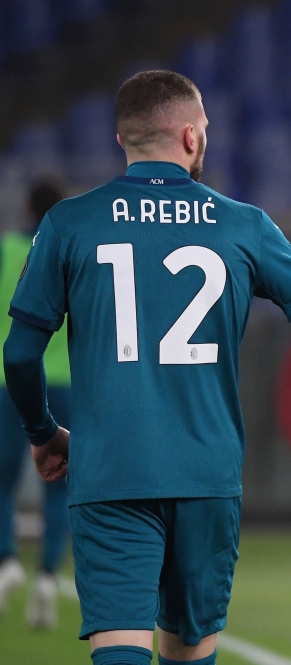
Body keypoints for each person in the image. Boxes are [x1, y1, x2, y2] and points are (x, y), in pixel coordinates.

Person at [1, 70, 291, 665]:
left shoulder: (69, 223)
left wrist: (43, 434)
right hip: (205, 475)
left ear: (124, 140)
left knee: (119, 649)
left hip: (110, 471)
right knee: (189, 653)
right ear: (192, 138)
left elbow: (19, 354)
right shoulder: (242, 224)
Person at [0, 179, 72, 629]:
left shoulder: (6, 250)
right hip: (63, 380)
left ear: (25, 207)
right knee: (58, 487)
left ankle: (7, 561)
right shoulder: (69, 253)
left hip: (6, 382)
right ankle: (47, 576)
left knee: (2, 483)